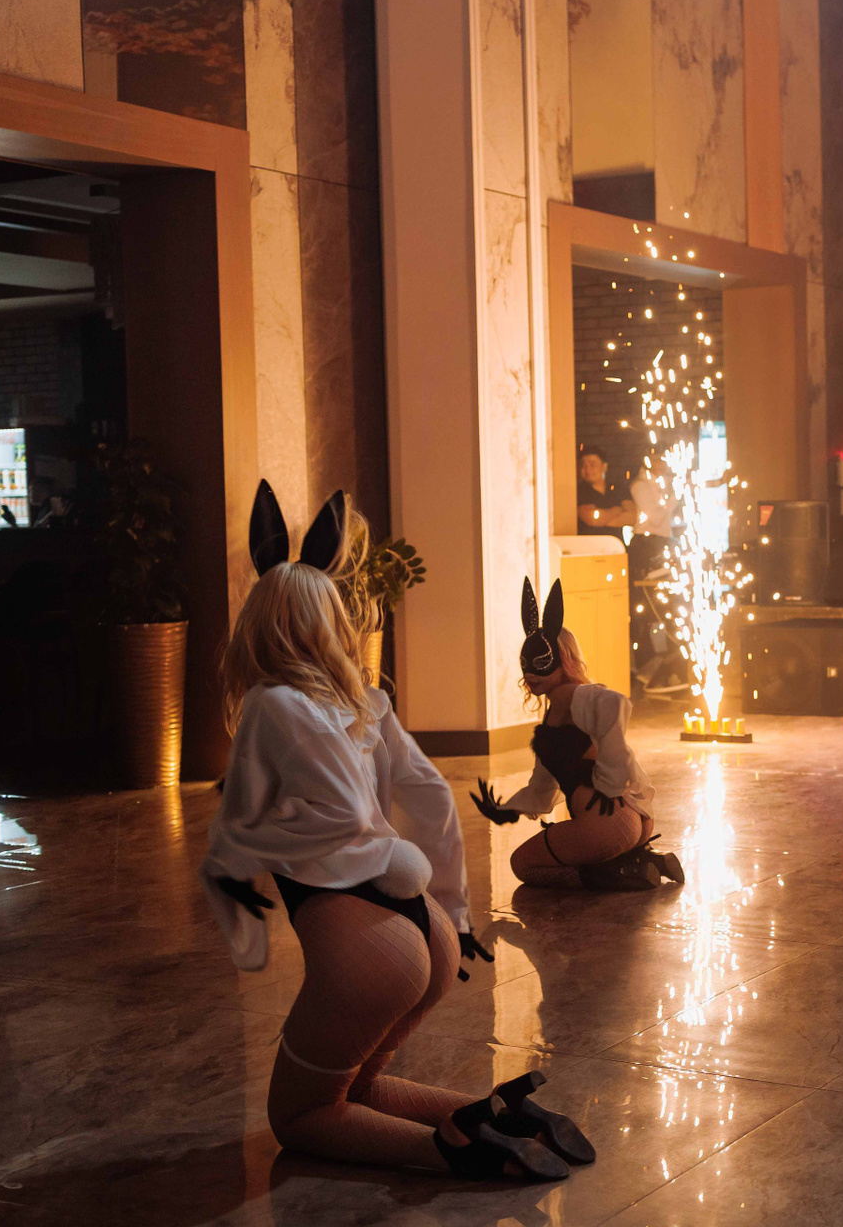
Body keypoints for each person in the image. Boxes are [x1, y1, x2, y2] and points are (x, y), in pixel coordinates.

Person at [203, 482, 595, 1180]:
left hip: (361, 944)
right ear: (330, 623)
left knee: (299, 1116)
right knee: (356, 1090)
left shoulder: (271, 703)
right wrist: (453, 910)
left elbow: (316, 819)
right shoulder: (363, 702)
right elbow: (433, 800)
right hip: (423, 927)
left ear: (258, 624)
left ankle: (454, 1155)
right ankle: (503, 1117)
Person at [469, 578, 685, 890]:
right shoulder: (558, 707)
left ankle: (612, 874)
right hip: (634, 821)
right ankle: (643, 862)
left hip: (606, 825)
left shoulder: (572, 695)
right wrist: (510, 810)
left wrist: (611, 779)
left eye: (541, 663)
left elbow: (616, 702)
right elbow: (544, 783)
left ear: (564, 660)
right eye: (525, 664)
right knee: (564, 851)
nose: (530, 673)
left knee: (523, 865)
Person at [577, 445, 637, 539]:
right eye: (583, 465)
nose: (587, 469)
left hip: (615, 545)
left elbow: (632, 518)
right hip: (588, 544)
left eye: (592, 464)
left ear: (604, 466)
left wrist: (603, 518)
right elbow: (592, 520)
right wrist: (618, 509)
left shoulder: (618, 489)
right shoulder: (579, 492)